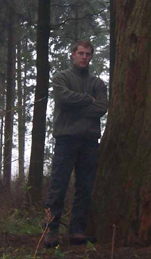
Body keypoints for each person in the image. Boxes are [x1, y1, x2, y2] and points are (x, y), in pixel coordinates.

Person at [44, 40, 109, 247]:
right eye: (81, 53)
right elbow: (63, 100)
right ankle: (51, 231)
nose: (84, 57)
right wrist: (88, 100)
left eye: (88, 54)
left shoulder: (97, 83)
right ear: (72, 54)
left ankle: (77, 230)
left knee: (85, 187)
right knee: (58, 185)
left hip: (89, 141)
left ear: (91, 56)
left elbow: (101, 108)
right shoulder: (61, 77)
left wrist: (77, 105)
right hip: (66, 139)